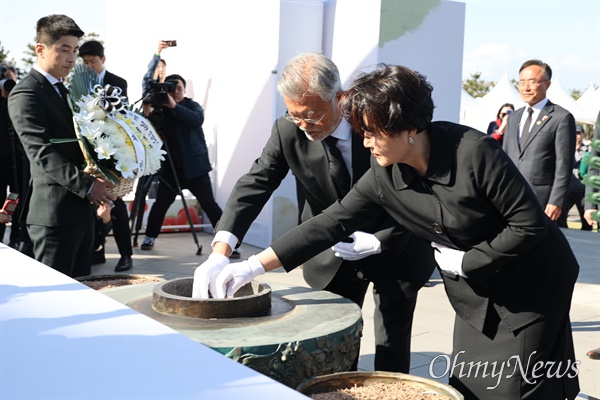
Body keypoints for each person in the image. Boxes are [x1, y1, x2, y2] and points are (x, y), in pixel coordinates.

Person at [202, 64, 581, 399]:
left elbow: (529, 224)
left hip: (531, 282)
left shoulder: (473, 151)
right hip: (476, 294)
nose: (365, 143)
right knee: (469, 382)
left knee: (515, 387)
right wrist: (249, 266)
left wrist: (469, 260)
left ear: (407, 127)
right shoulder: (384, 174)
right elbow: (328, 223)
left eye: (372, 133)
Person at [192, 52, 435, 373]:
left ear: (339, 97)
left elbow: (418, 192)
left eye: (312, 115)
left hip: (396, 245)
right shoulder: (288, 131)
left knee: (392, 339)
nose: (304, 125)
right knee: (331, 342)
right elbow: (255, 184)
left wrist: (382, 240)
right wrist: (221, 251)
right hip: (329, 252)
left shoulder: (374, 123)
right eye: (295, 115)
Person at [8, 14, 116, 278]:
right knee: (55, 300)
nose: (71, 58)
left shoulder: (65, 92)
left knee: (83, 290)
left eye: (75, 51)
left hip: (82, 211)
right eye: (64, 50)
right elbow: (42, 152)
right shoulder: (26, 93)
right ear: (41, 49)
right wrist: (90, 186)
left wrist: (108, 174)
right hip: (53, 218)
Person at [140, 74, 223, 251]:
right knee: (160, 204)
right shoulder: (161, 109)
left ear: (185, 90)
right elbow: (148, 129)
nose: (175, 91)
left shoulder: (192, 106)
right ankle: (150, 237)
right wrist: (148, 108)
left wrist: (174, 106)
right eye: (172, 88)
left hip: (196, 169)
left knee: (209, 205)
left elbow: (196, 120)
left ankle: (228, 241)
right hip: (171, 170)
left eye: (179, 88)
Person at [79, 39, 133, 272]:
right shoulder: (78, 84)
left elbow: (122, 116)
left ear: (103, 59)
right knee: (92, 204)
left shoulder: (117, 82)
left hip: (113, 153)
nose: (89, 66)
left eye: (92, 61)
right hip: (88, 151)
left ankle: (126, 255)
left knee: (116, 204)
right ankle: (96, 251)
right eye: (85, 62)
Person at [503, 59, 576, 223]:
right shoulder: (513, 118)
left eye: (532, 82)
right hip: (509, 198)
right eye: (522, 82)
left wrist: (556, 200)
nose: (526, 88)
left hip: (542, 200)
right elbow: (505, 158)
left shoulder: (561, 117)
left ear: (547, 84)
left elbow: (564, 165)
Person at [0, 65, 23, 248]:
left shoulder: (17, 101)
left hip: (18, 158)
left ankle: (17, 237)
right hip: (1, 160)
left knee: (18, 198)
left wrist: (11, 98)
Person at [557, 124, 593, 231]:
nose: (576, 136)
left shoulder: (589, 150)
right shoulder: (565, 147)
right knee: (560, 218)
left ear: (583, 134)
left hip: (583, 190)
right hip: (567, 189)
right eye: (574, 133)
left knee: (587, 221)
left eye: (578, 133)